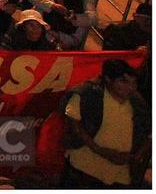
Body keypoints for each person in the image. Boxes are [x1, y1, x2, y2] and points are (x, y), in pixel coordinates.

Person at [62, 59, 149, 187]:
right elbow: (74, 123)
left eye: (134, 83)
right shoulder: (88, 94)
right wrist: (99, 150)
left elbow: (150, 131)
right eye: (123, 81)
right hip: (84, 167)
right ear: (108, 79)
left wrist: (137, 156)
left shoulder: (137, 103)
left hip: (120, 175)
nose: (130, 88)